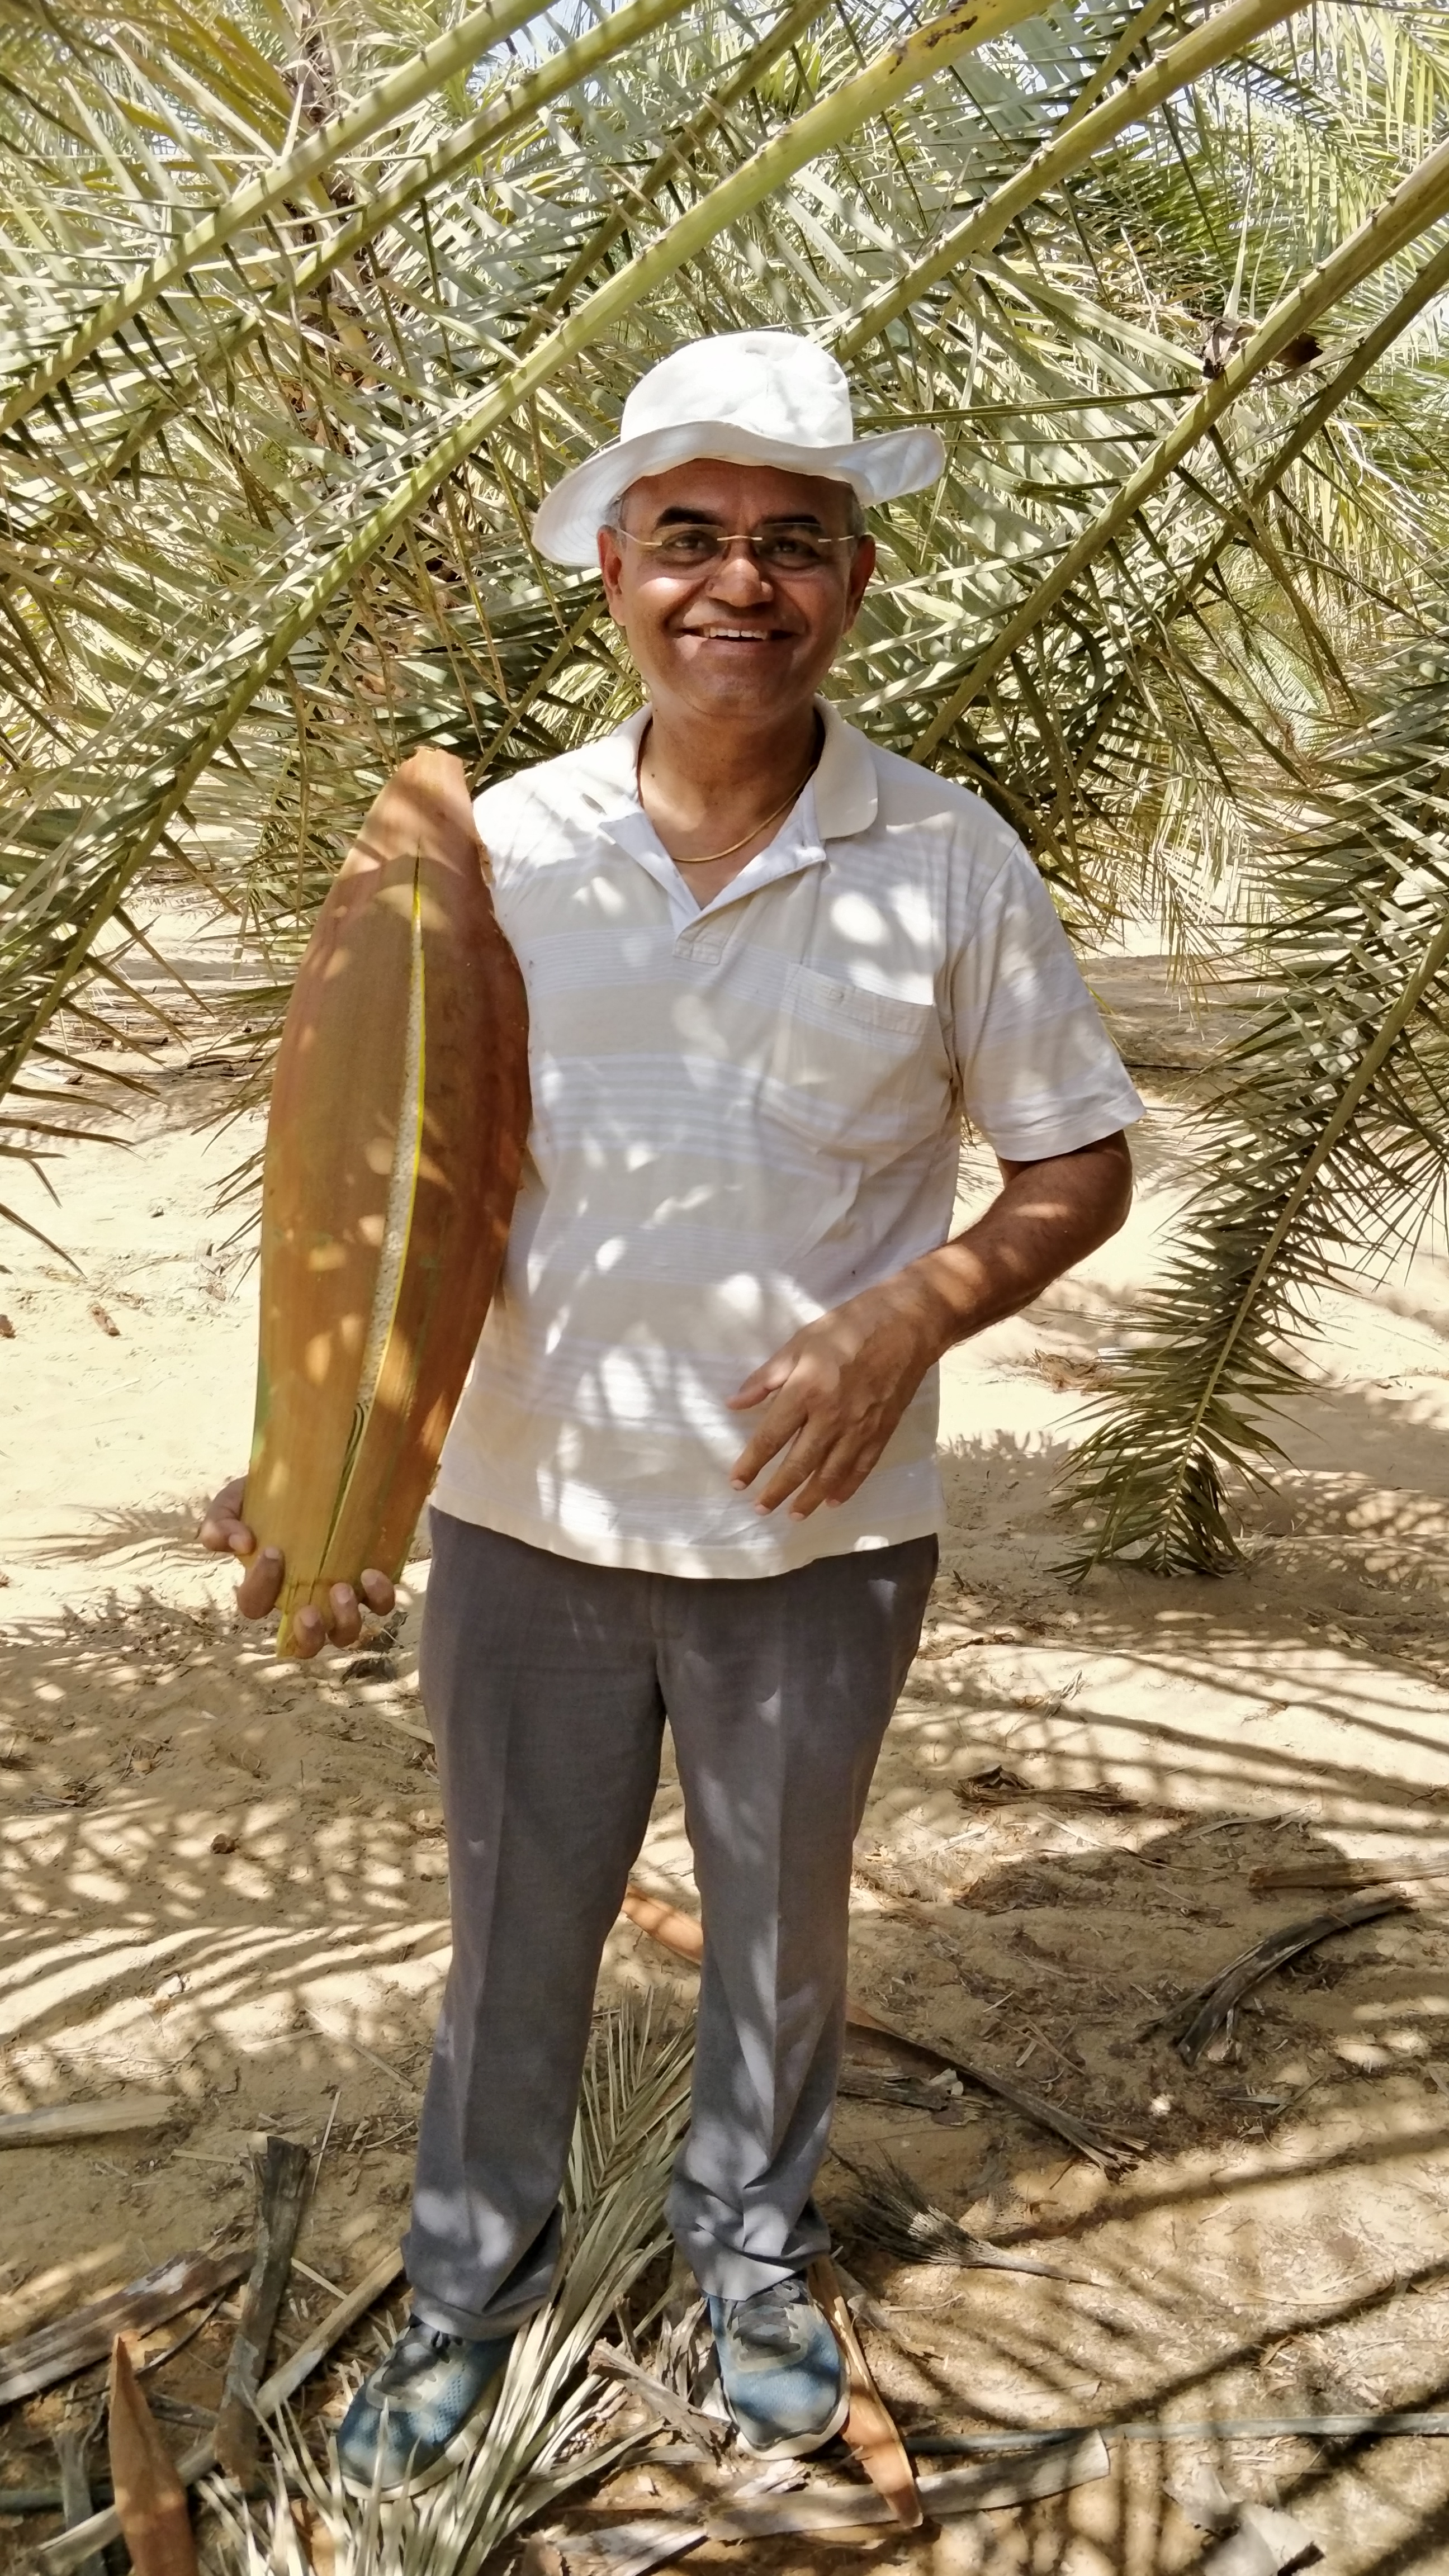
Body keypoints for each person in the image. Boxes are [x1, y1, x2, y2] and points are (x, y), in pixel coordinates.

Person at [201, 330, 1141, 2489]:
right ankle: (465, 2292)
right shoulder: (494, 852)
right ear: (615, 572)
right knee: (515, 1930)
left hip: (816, 1542)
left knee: (784, 1930)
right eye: (692, 539)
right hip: (526, 1511)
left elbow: (1076, 1159)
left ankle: (746, 2256)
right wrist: (308, 1446)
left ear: (857, 583)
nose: (741, 583)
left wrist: (905, 1319)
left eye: (790, 544)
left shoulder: (949, 861)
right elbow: (377, 1175)